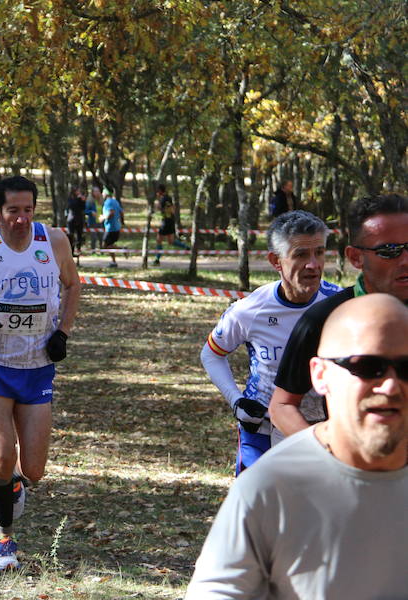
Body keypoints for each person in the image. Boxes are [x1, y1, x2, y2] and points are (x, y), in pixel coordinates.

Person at [185, 294, 408, 599]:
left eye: (406, 367)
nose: (392, 385)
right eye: (368, 366)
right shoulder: (268, 489)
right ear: (320, 375)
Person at [0, 175, 81, 570]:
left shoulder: (54, 241)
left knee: (35, 470)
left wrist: (63, 332)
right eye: (13, 211)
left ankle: (15, 481)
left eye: (28, 210)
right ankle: (4, 540)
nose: (21, 219)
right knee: (3, 456)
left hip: (37, 366)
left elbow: (72, 286)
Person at [200, 211, 340, 474]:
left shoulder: (340, 304)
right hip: (262, 429)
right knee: (260, 512)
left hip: (324, 428)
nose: (313, 264)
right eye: (300, 255)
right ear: (276, 261)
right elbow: (211, 354)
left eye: (319, 253)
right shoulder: (249, 310)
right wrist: (237, 401)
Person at [270, 193, 408, 437]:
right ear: (356, 257)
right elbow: (282, 405)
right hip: (359, 470)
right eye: (390, 251)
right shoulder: (324, 319)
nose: (406, 260)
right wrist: (324, 455)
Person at [152, 184, 189, 266]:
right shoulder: (168, 198)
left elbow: (161, 208)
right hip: (171, 221)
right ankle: (186, 247)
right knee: (171, 241)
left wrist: (159, 206)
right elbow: (173, 208)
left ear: (160, 191)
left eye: (157, 191)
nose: (157, 193)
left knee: (159, 240)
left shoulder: (163, 199)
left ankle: (157, 259)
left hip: (166, 222)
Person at [100, 187, 123, 268]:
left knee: (105, 245)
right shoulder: (115, 201)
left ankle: (122, 249)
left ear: (106, 194)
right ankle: (114, 262)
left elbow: (111, 212)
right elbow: (121, 212)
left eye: (103, 193)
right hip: (116, 227)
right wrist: (121, 222)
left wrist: (103, 218)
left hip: (111, 228)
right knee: (110, 245)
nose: (102, 194)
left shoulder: (108, 202)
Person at [65, 186, 86, 257]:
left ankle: (79, 249)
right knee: (71, 235)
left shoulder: (80, 199)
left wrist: (83, 201)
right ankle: (71, 251)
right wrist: (78, 199)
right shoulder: (71, 198)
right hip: (71, 219)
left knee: (79, 235)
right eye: (77, 191)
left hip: (79, 219)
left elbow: (83, 208)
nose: (79, 192)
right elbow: (72, 206)